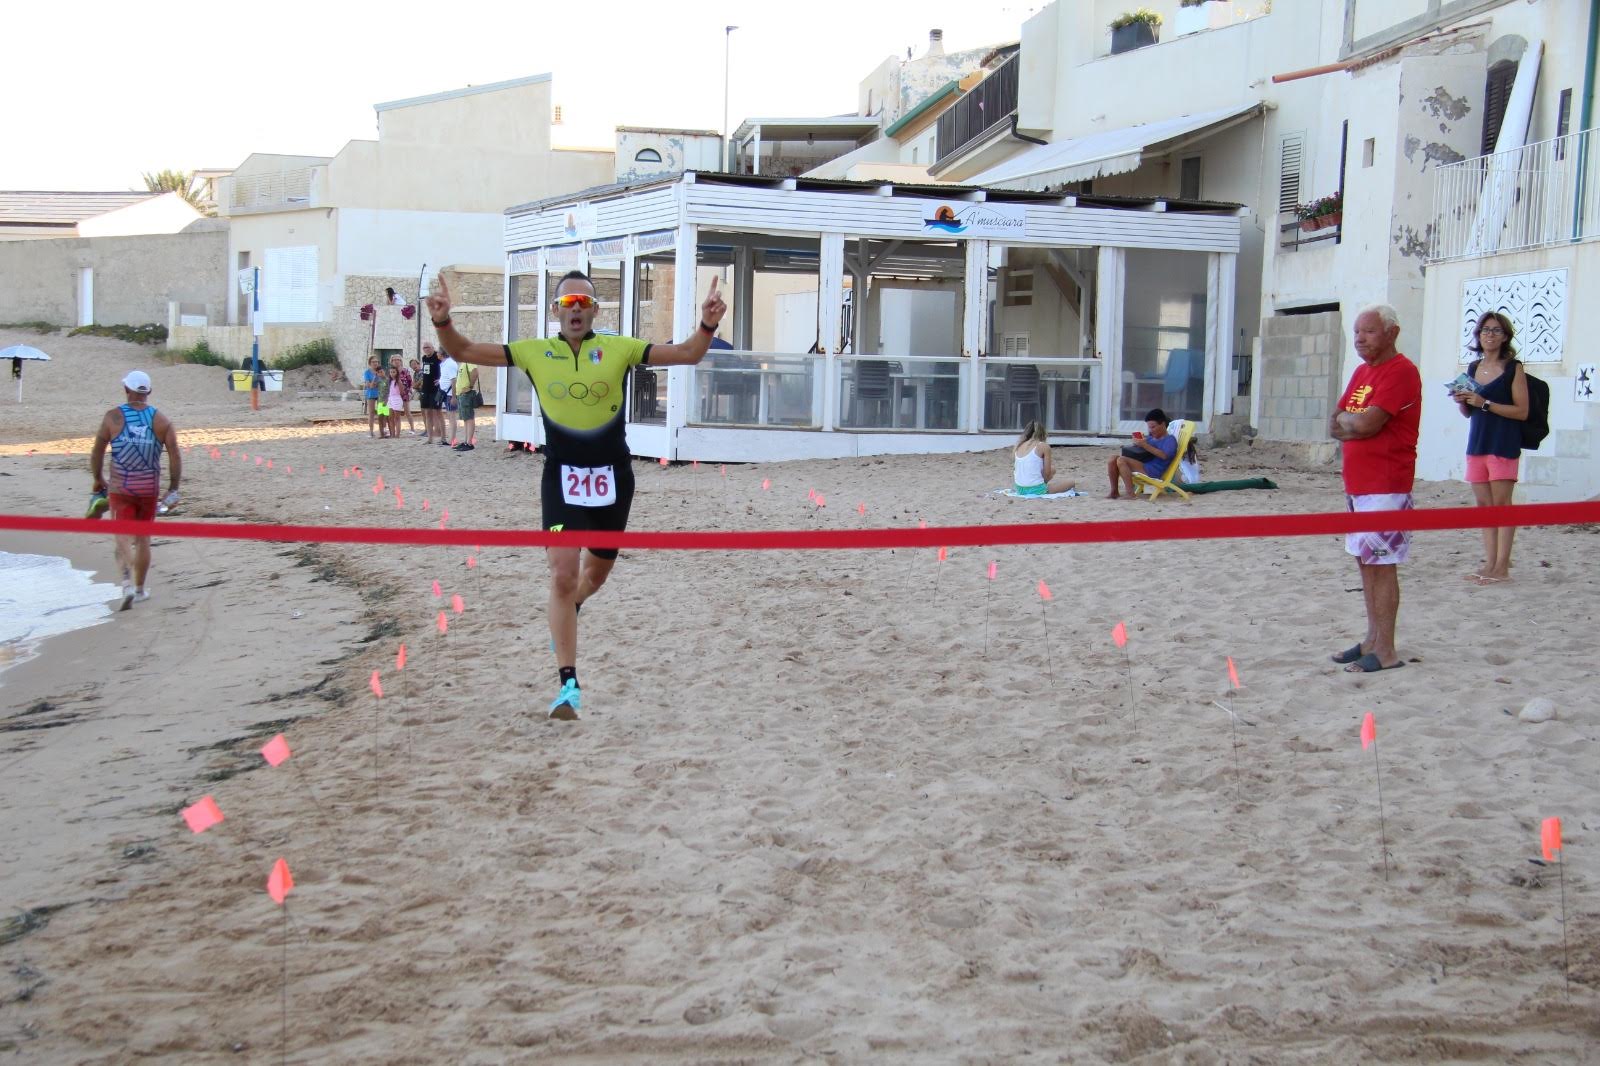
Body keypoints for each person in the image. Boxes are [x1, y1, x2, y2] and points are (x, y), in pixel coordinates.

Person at [427, 268, 728, 719]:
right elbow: (465, 349)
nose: (576, 310)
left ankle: (571, 609)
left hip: (613, 478)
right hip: (562, 477)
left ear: (595, 310)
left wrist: (707, 324)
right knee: (563, 576)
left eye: (583, 303)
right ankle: (568, 684)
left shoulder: (620, 348)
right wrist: (442, 322)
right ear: (555, 311)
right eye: (567, 304)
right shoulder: (534, 352)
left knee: (593, 578)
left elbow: (687, 353)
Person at [1328, 304, 1422, 674]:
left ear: (1392, 333)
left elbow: (1368, 424)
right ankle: (1371, 638)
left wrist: (1355, 422)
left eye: (1368, 331)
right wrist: (1353, 422)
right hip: (1358, 484)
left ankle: (1386, 649)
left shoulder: (1402, 372)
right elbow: (1335, 422)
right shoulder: (1361, 373)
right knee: (1365, 561)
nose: (1360, 339)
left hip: (1386, 482)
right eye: (1356, 333)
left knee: (1382, 564)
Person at [89, 371, 181, 609]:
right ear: (148, 392)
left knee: (122, 536)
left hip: (121, 487)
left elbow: (97, 451)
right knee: (142, 538)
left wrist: (98, 478)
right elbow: (174, 455)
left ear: (126, 390)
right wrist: (173, 488)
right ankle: (140, 590)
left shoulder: (113, 417)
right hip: (148, 488)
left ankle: (127, 584)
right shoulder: (161, 420)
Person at [1451, 311, 1528, 585]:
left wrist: (1484, 403)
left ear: (1505, 336)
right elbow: (1468, 413)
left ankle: (1502, 567)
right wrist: (1463, 400)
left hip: (1503, 443)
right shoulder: (1472, 368)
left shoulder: (1513, 368)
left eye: (1496, 330)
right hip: (1478, 443)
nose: (1489, 335)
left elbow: (1521, 411)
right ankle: (1489, 563)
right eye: (1485, 330)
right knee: (1484, 506)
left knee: (1502, 505)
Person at [1106, 408, 1179, 499]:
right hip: (1144, 464)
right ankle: (1114, 491)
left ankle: (1130, 494)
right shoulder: (1151, 438)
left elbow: (1164, 456)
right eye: (1149, 427)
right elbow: (1143, 450)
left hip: (1154, 471)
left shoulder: (1170, 440)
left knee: (1122, 460)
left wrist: (1145, 445)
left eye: (1153, 427)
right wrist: (1138, 443)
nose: (1151, 430)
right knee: (1112, 458)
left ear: (1163, 424)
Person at [1012, 421, 1076, 495]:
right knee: (1072, 482)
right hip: (1036, 489)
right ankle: (1040, 486)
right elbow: (1047, 473)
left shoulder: (1019, 445)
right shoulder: (1043, 446)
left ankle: (1038, 484)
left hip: (1019, 489)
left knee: (1053, 470)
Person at [453, 361, 480, 452]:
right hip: (461, 394)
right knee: (465, 419)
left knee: (469, 418)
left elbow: (475, 373)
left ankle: (469, 443)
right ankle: (466, 441)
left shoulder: (469, 361)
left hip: (466, 394)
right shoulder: (463, 363)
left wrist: (470, 386)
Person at [418, 343, 442, 443]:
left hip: (436, 389)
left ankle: (440, 434)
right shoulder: (424, 358)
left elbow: (444, 368)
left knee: (437, 412)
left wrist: (441, 380)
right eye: (424, 347)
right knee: (427, 412)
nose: (426, 349)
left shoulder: (438, 356)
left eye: (428, 347)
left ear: (433, 348)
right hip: (425, 389)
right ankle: (430, 437)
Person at [437, 347, 460, 446]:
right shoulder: (445, 364)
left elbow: (453, 380)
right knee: (450, 417)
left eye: (438, 352)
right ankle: (450, 439)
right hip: (447, 393)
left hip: (450, 394)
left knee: (452, 417)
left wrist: (454, 397)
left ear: (442, 353)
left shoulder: (450, 364)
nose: (436, 353)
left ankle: (452, 440)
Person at [385, 355, 410, 440]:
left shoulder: (398, 380)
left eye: (394, 372)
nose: (392, 374)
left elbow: (402, 391)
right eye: (391, 372)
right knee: (390, 417)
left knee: (397, 417)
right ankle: (392, 433)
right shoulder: (389, 380)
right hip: (390, 399)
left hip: (397, 399)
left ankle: (397, 434)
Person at [362, 355, 385, 438]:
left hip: (380, 394)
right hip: (371, 394)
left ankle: (383, 430)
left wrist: (376, 382)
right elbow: (370, 385)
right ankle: (371, 431)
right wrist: (375, 376)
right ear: (370, 363)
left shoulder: (381, 371)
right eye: (373, 362)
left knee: (382, 412)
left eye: (376, 362)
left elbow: (383, 382)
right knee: (371, 412)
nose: (375, 363)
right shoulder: (367, 372)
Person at [405, 358, 423, 434]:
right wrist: (416, 385)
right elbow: (414, 385)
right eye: (412, 365)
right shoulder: (415, 374)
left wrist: (416, 385)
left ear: (419, 364)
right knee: (423, 412)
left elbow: (420, 383)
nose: (414, 366)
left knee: (427, 412)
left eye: (415, 364)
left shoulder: (422, 372)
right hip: (419, 392)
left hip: (424, 393)